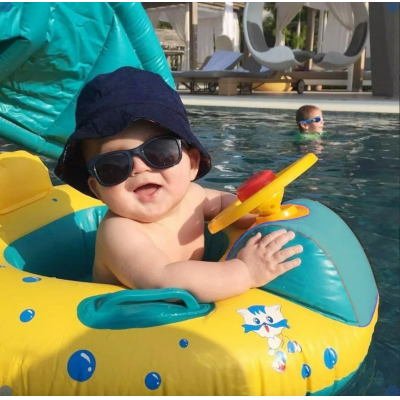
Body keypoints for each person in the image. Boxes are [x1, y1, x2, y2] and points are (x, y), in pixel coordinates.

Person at [55, 67, 303, 303]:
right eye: (113, 166)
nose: (139, 167)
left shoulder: (194, 197)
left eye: (160, 152)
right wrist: (246, 271)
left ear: (192, 163)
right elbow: (163, 281)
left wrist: (256, 214)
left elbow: (224, 204)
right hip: (132, 323)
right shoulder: (119, 232)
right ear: (97, 189)